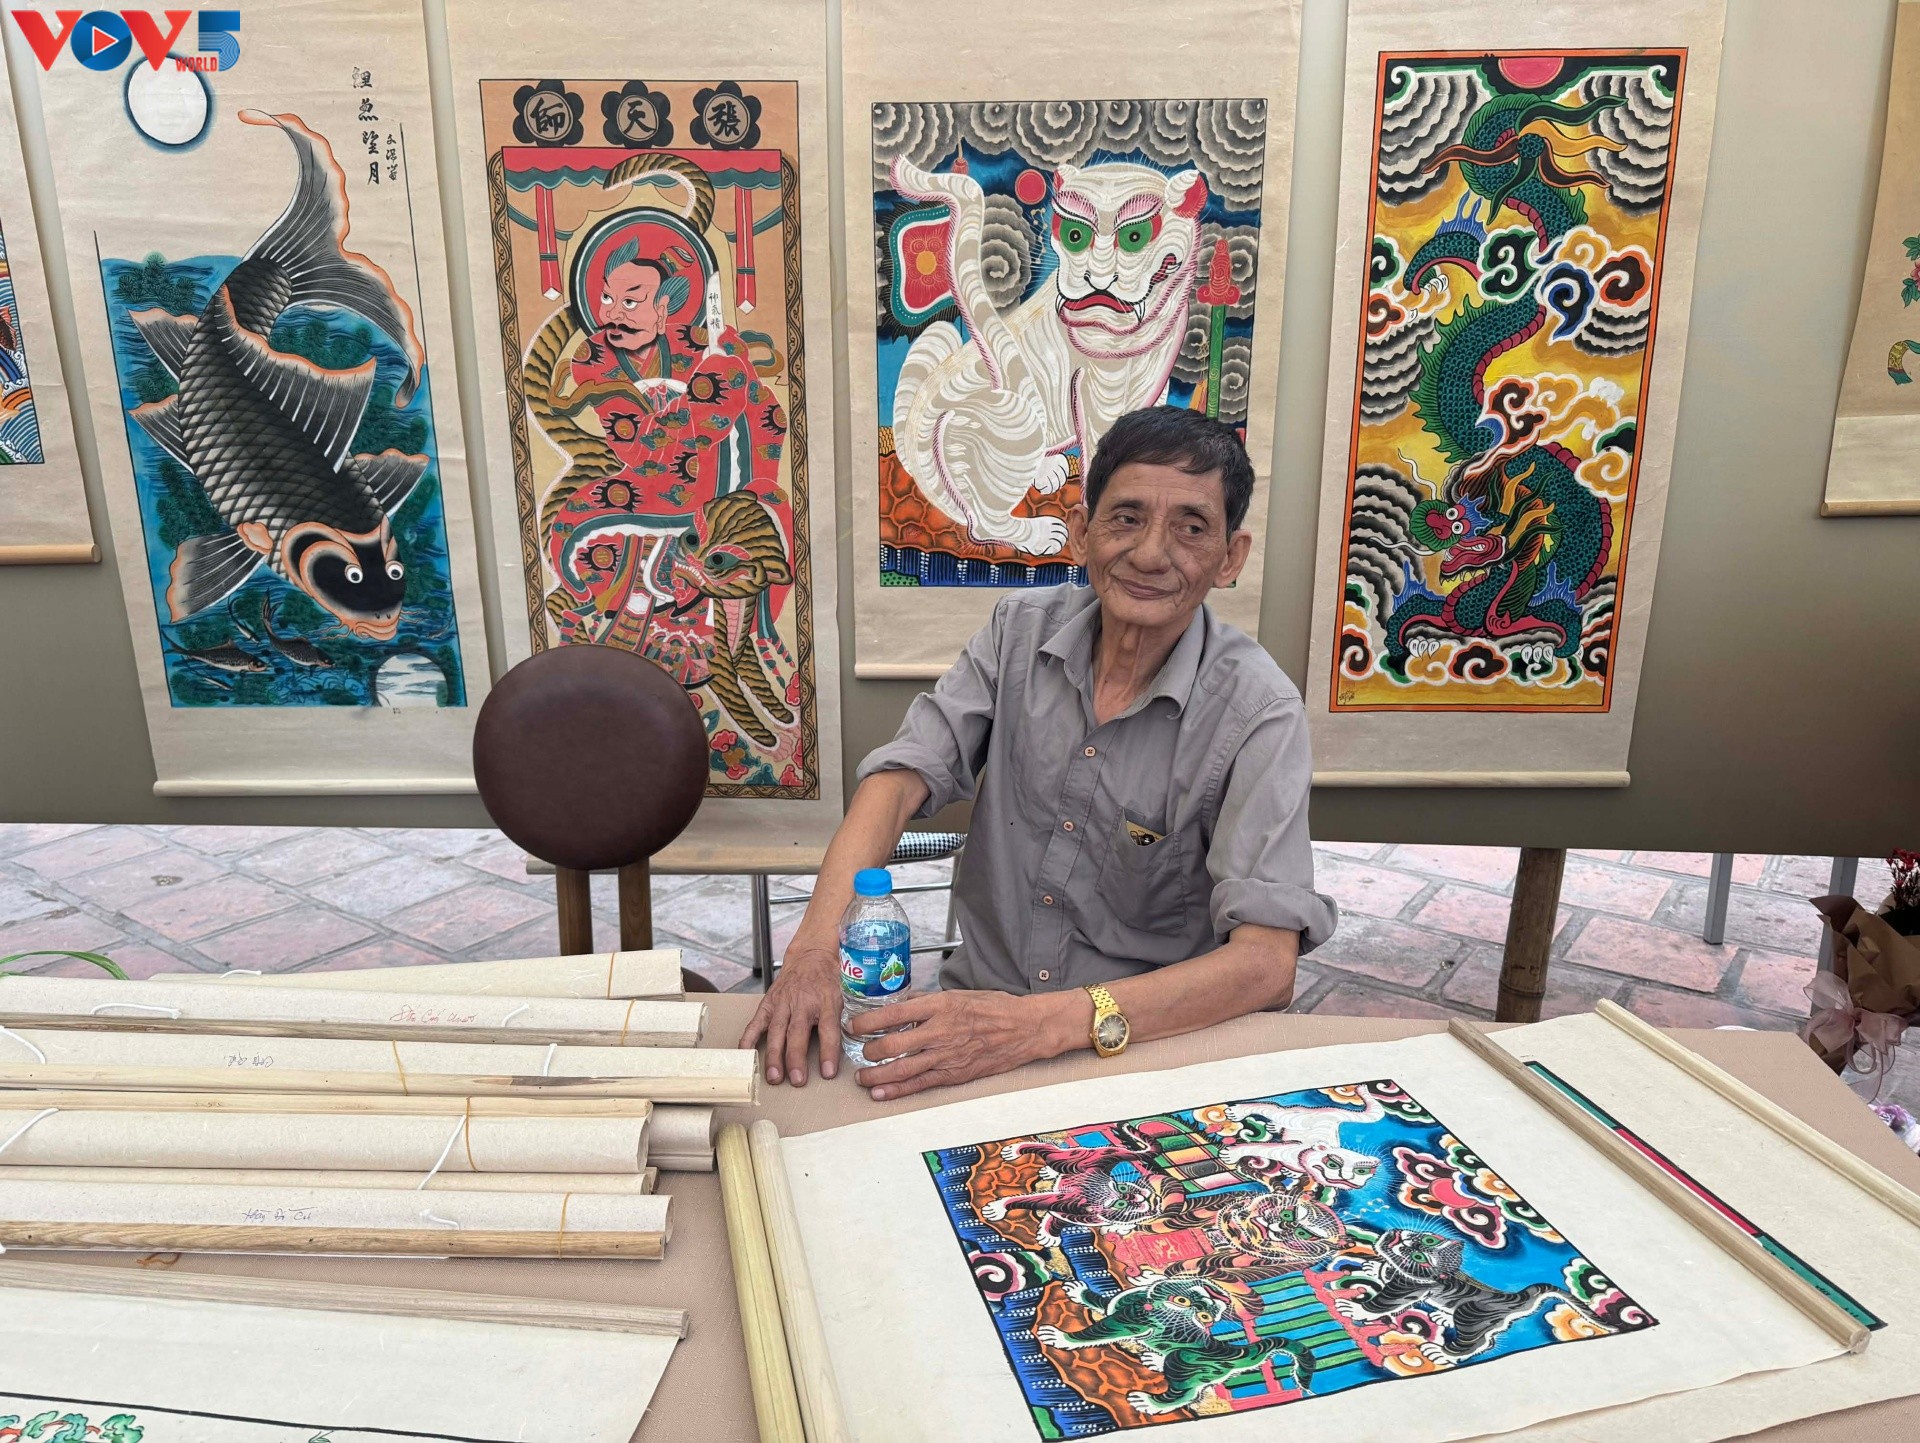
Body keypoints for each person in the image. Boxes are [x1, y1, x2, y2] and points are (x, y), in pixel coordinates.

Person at [739, 405, 1337, 1099]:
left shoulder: (1258, 711)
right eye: (1126, 518)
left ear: (1230, 557)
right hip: (975, 1015)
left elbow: (1266, 965)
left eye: (1191, 528)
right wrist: (813, 950)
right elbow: (899, 779)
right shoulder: (1018, 632)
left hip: (1141, 1047)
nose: (1150, 553)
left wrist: (1035, 1027)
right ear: (1082, 532)